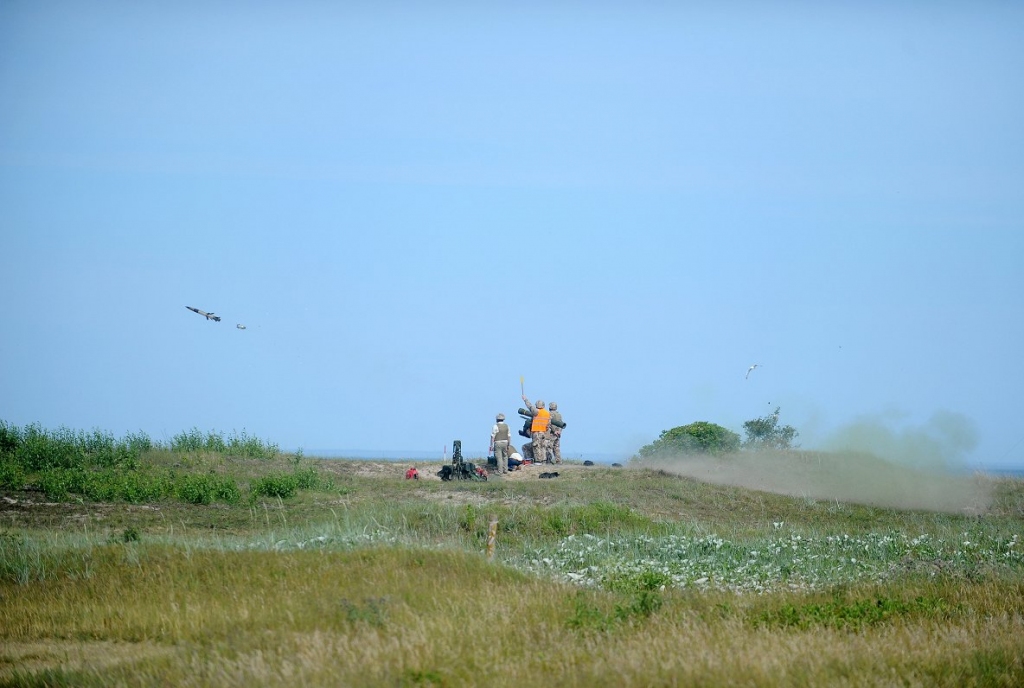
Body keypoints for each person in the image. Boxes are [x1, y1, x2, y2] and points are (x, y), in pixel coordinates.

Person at [521, 395, 551, 464]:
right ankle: (543, 461)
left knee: (536, 446)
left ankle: (538, 462)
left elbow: (530, 407)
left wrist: (525, 399)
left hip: (536, 432)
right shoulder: (547, 413)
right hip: (543, 432)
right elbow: (548, 425)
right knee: (542, 447)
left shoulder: (536, 412)